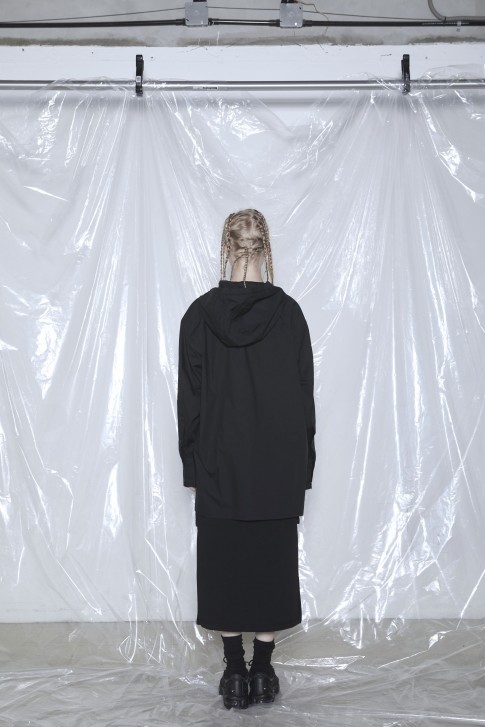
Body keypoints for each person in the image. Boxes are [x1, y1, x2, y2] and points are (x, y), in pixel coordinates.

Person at [177, 209, 316, 710]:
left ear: (227, 247)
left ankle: (233, 671)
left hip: (219, 461)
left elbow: (189, 400)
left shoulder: (198, 315)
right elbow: (304, 397)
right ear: (266, 249)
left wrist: (192, 464)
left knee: (225, 564)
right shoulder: (290, 313)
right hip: (277, 463)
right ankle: (263, 670)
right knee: (270, 564)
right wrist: (304, 465)